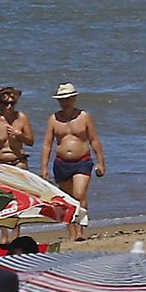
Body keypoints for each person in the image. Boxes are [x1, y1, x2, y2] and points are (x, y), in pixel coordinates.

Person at [41, 83, 104, 240]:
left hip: (82, 160)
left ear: (74, 98)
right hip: (61, 162)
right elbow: (47, 144)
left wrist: (101, 161)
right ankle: (71, 232)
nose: (65, 101)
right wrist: (44, 167)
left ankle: (81, 230)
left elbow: (94, 140)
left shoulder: (84, 116)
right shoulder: (54, 119)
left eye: (68, 98)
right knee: (67, 199)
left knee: (79, 194)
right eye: (62, 99)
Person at [0, 85, 34, 168]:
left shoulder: (22, 118)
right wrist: (0, 139)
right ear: (0, 104)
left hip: (18, 161)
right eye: (6, 104)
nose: (9, 107)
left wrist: (19, 135)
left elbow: (30, 142)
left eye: (12, 103)